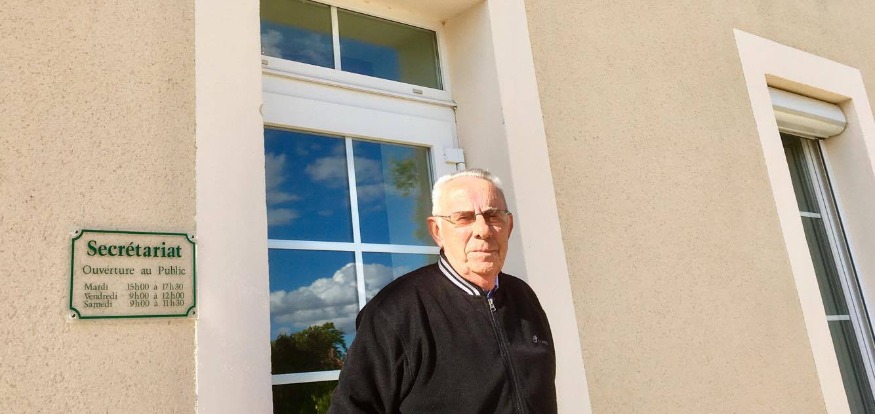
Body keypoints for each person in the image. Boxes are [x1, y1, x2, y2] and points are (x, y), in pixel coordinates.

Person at [329, 168, 557, 414]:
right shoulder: (395, 312)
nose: (483, 230)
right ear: (437, 231)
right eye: (464, 218)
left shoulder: (524, 297)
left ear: (509, 226)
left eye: (493, 215)